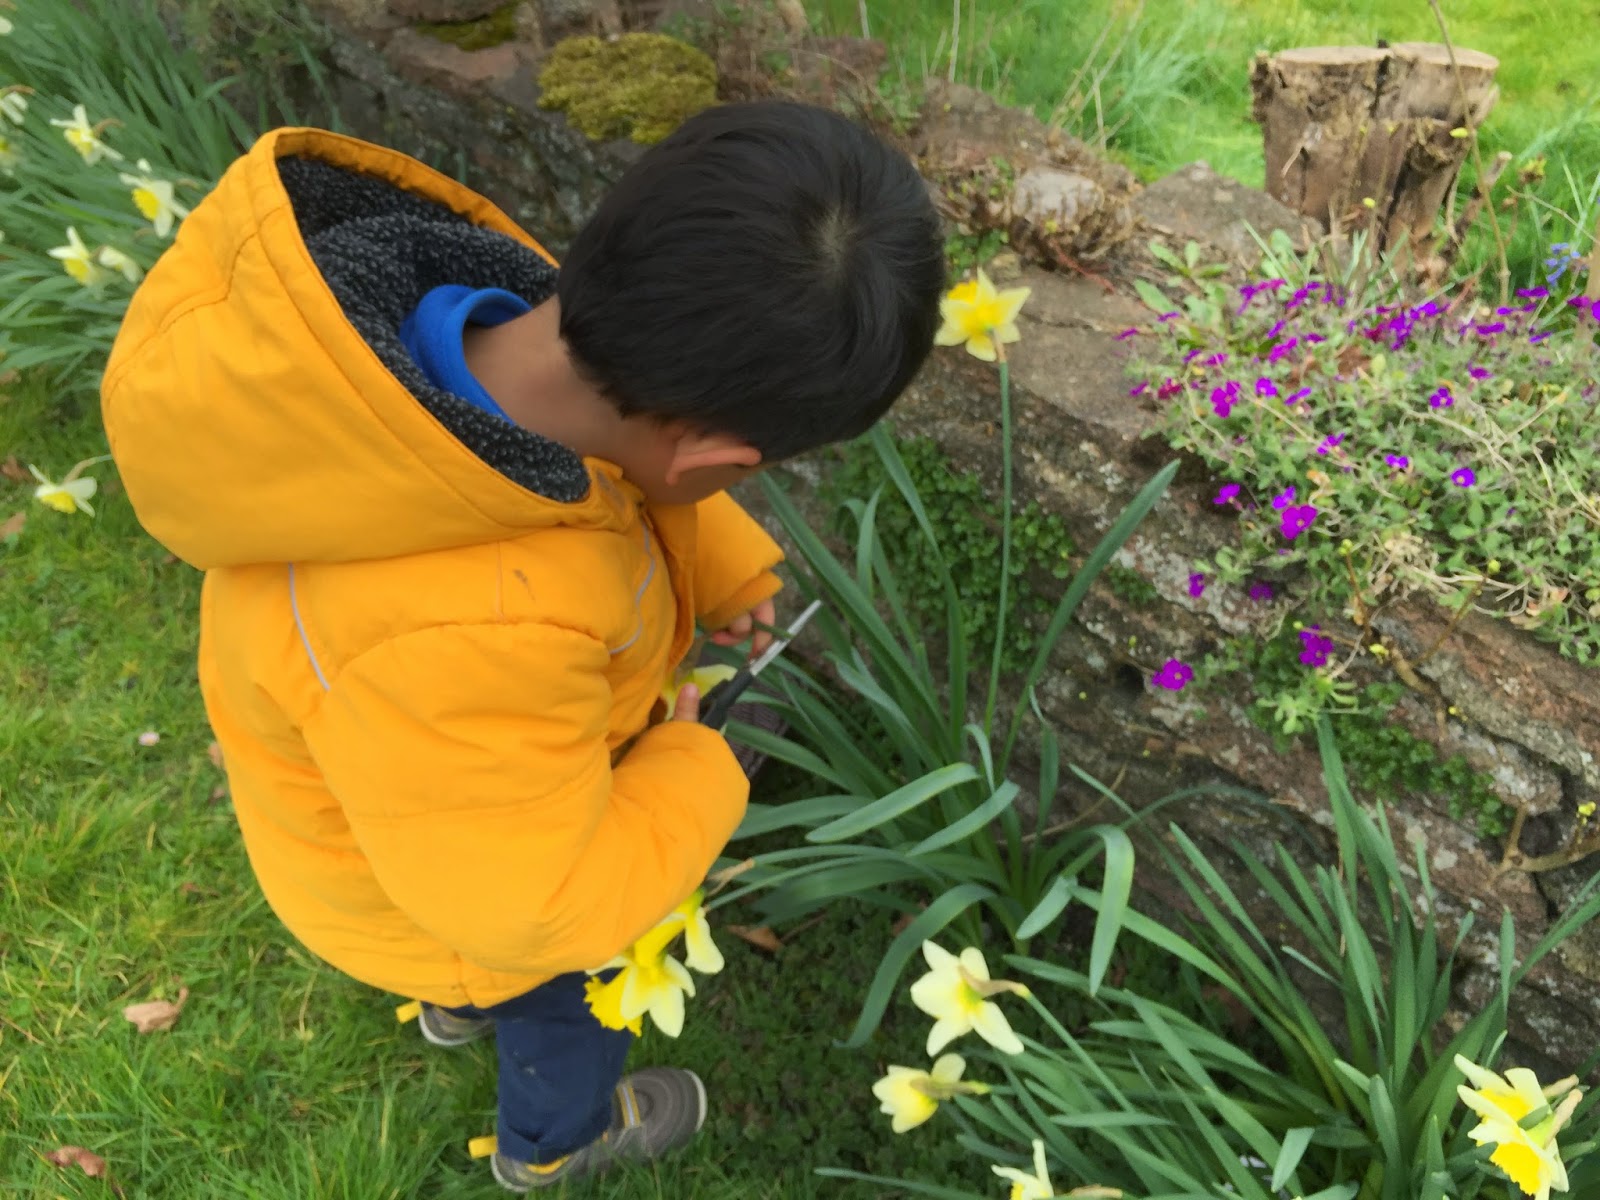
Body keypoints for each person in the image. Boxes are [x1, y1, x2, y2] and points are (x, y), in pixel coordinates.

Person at [100, 100, 944, 1191]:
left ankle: (457, 1004)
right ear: (713, 457)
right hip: (451, 900)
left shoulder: (470, 336)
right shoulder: (473, 633)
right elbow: (536, 910)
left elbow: (618, 480)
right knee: (563, 1002)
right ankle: (554, 1143)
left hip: (416, 819)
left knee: (476, 903)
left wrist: (721, 564)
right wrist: (696, 767)